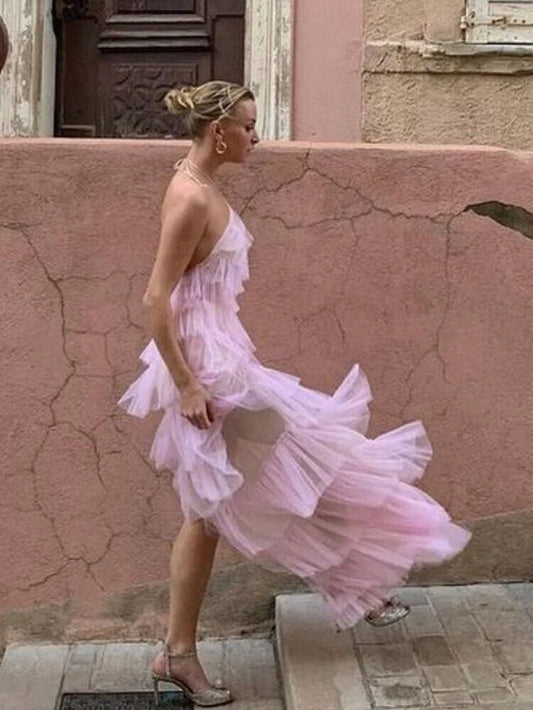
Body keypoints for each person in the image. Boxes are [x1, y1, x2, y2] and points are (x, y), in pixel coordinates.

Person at [118, 80, 470, 707]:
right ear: (219, 132)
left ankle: (195, 646)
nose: (257, 137)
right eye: (249, 126)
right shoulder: (190, 197)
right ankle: (190, 648)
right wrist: (188, 383)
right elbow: (154, 299)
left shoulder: (200, 185)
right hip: (209, 375)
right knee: (275, 472)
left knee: (275, 475)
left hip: (222, 363)